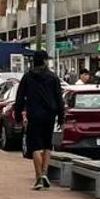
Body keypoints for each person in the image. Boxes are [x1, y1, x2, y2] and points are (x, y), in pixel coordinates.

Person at [18, 50, 65, 190]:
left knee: (35, 147)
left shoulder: (28, 77)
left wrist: (18, 114)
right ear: (44, 61)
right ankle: (45, 173)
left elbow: (20, 97)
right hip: (50, 115)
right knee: (47, 145)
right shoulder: (53, 77)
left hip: (34, 114)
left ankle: (39, 178)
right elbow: (59, 98)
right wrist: (61, 117)